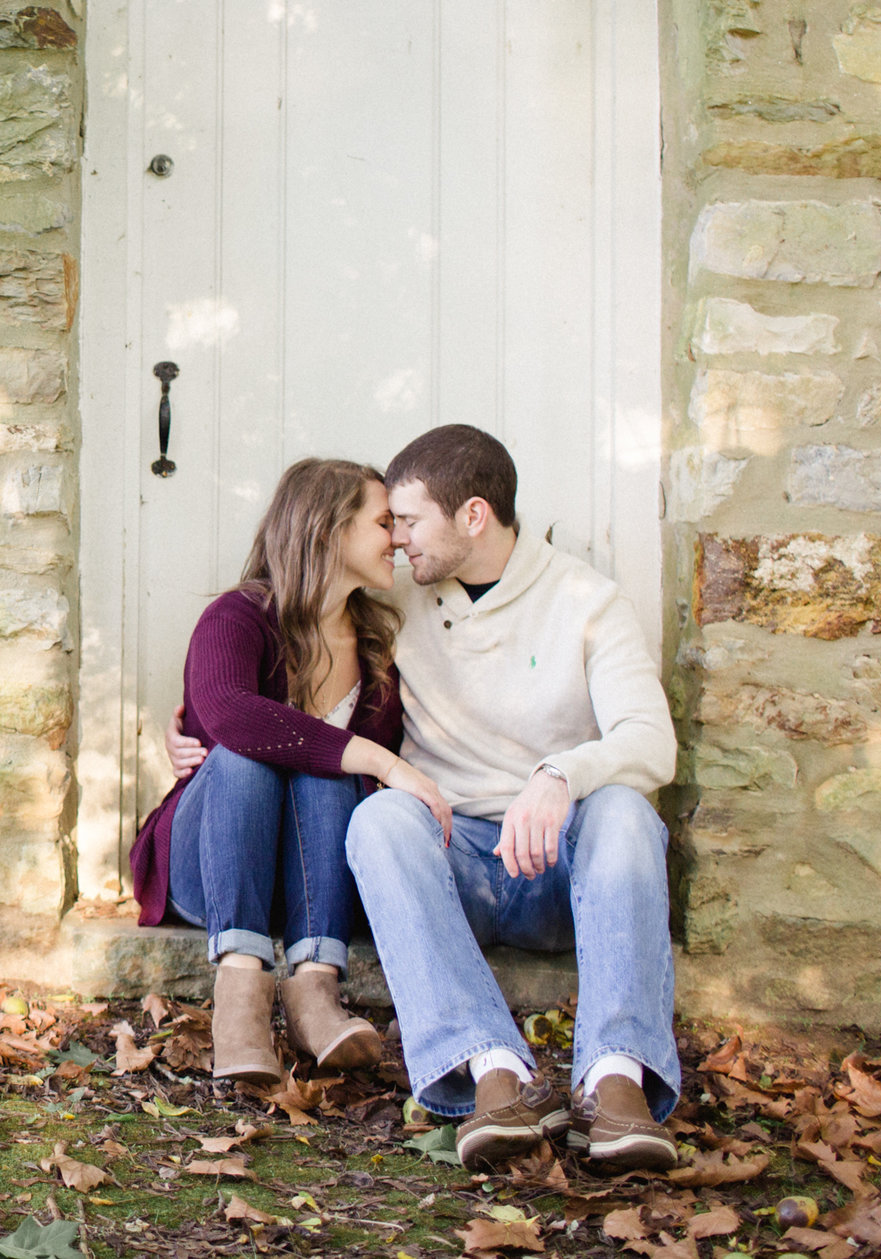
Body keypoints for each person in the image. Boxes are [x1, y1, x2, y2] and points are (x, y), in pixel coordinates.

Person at [167, 426, 678, 1170]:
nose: (398, 541)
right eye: (387, 523)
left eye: (407, 520)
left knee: (629, 809)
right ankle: (490, 1070)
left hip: (559, 865)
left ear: (473, 516)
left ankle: (616, 1080)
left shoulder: (587, 601)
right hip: (456, 859)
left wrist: (560, 774)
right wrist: (185, 727)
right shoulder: (395, 598)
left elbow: (651, 742)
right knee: (377, 816)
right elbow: (250, 696)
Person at [130, 458, 455, 1084]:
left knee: (329, 770)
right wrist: (382, 762)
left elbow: (349, 786)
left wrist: (357, 763)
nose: (398, 538)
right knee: (252, 755)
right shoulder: (237, 618)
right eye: (383, 521)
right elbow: (231, 716)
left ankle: (314, 996)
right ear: (328, 531)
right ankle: (240, 1001)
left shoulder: (374, 651)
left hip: (313, 887)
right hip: (216, 870)